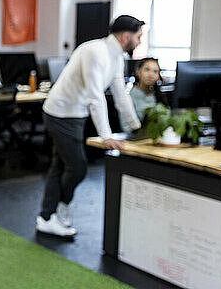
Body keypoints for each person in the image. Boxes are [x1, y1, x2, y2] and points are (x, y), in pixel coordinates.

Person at [36, 15, 144, 238]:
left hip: (76, 115)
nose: (140, 41)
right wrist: (106, 136)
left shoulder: (117, 56)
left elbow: (120, 95)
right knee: (77, 167)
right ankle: (60, 209)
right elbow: (96, 96)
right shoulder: (95, 51)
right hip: (59, 113)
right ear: (126, 36)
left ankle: (47, 217)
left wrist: (136, 127)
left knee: (60, 165)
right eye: (139, 36)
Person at [119, 57, 167, 132]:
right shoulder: (128, 96)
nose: (151, 75)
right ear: (138, 71)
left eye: (155, 71)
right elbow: (126, 128)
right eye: (147, 70)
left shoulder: (158, 96)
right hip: (137, 139)